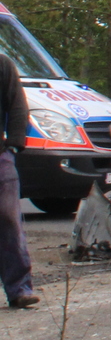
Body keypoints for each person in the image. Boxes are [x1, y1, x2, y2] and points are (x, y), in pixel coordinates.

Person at [0, 51, 38, 309]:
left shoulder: (2, 65)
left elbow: (17, 106)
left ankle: (19, 289)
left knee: (8, 220)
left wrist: (13, 145)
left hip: (1, 157)